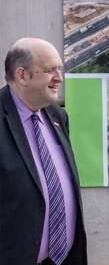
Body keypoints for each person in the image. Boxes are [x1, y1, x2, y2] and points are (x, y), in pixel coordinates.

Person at [0, 38, 87, 264]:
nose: (59, 77)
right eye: (50, 70)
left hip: (62, 258)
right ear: (22, 75)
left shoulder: (58, 116)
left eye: (59, 68)